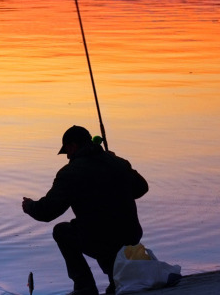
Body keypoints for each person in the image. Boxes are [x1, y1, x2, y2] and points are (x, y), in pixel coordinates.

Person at [22, 125, 148, 295]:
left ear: (73, 146)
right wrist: (120, 165)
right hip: (131, 236)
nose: (67, 156)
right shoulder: (117, 162)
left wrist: (30, 206)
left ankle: (85, 287)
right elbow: (141, 188)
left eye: (67, 150)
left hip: (101, 239)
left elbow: (47, 212)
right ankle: (114, 280)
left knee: (63, 231)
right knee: (103, 227)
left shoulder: (71, 172)